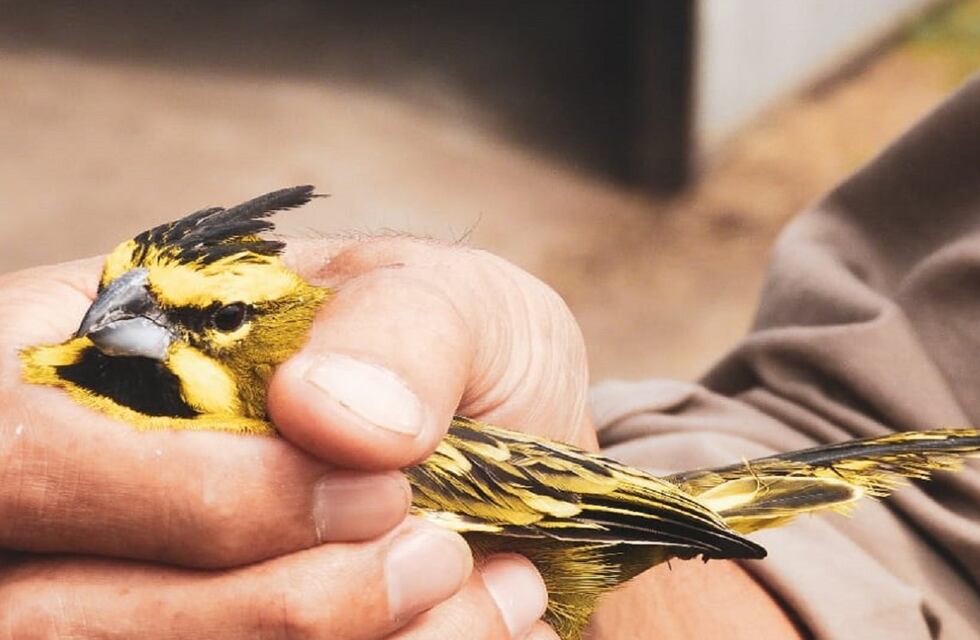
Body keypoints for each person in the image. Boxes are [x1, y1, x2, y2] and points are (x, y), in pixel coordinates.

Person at [0, 74, 977, 639]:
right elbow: (863, 442)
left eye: (203, 321)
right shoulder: (65, 399)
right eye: (115, 300)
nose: (115, 322)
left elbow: (590, 520)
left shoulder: (352, 442)